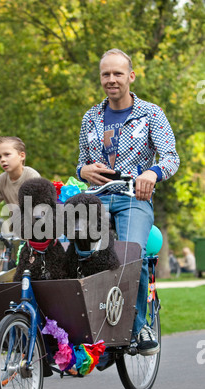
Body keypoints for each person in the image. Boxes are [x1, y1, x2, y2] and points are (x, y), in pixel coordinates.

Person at [77, 49, 180, 355]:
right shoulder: (90, 117)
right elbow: (81, 162)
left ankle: (141, 328)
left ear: (130, 76)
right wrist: (82, 170)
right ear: (100, 78)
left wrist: (153, 172)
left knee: (130, 256)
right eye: (106, 74)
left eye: (118, 74)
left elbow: (171, 157)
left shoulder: (151, 114)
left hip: (133, 198)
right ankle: (81, 323)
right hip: (95, 199)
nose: (112, 80)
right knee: (74, 253)